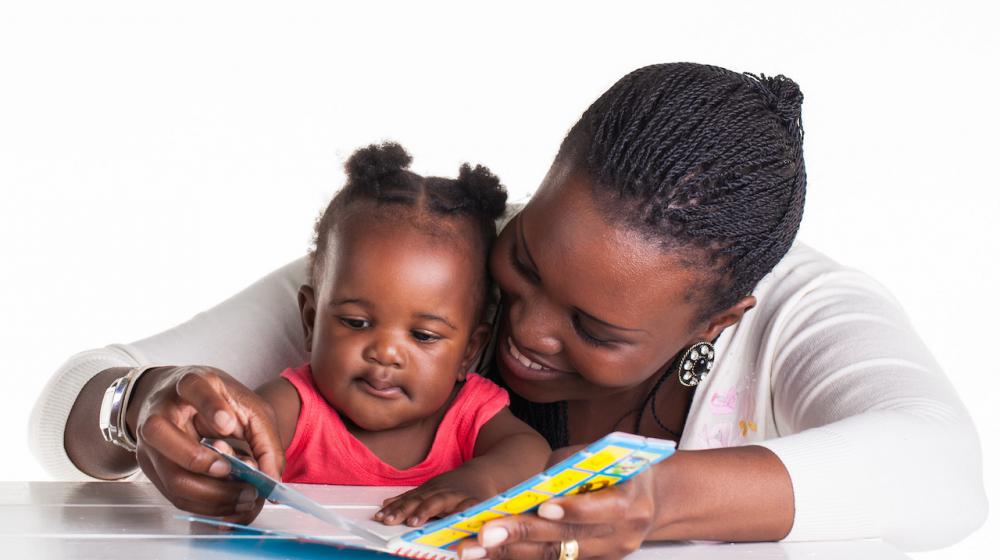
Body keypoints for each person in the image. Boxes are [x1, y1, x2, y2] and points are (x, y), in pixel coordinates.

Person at [31, 63, 986, 559]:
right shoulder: (427, 270)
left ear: (714, 324)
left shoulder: (793, 311)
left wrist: (654, 505)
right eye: (524, 264)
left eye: (596, 330)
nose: (524, 331)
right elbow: (69, 402)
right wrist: (143, 404)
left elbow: (944, 472)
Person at [212, 142, 548, 525]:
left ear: (469, 352)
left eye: (423, 335)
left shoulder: (468, 414)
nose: (386, 352)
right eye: (356, 323)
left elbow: (529, 449)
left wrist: (479, 479)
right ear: (310, 320)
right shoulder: (297, 406)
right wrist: (233, 460)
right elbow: (243, 436)